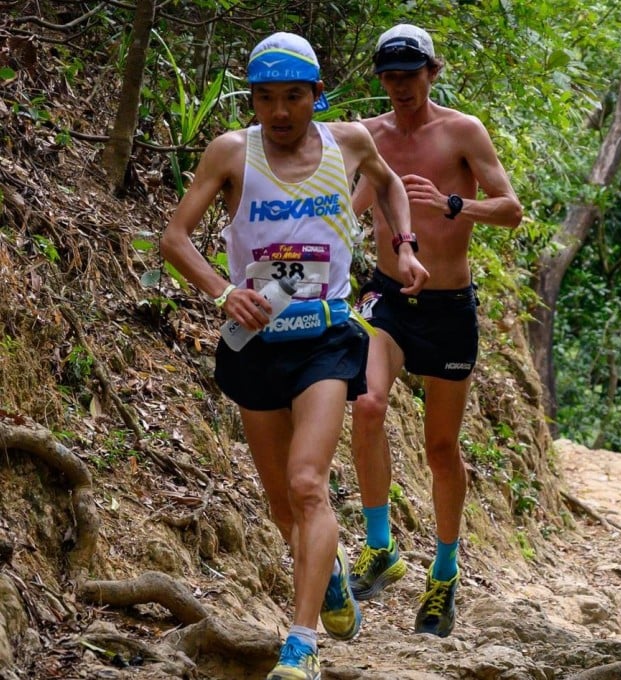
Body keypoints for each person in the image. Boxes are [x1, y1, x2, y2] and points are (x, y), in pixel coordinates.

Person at [160, 32, 428, 680]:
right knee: (283, 505)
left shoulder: (351, 143)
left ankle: (301, 646)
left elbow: (391, 187)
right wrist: (224, 292)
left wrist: (407, 244)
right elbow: (173, 237)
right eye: (265, 99)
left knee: (308, 483)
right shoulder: (231, 152)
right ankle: (327, 576)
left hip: (326, 341)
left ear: (317, 95)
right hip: (256, 342)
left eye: (294, 98)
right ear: (250, 99)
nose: (279, 113)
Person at [349, 23, 522, 638]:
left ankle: (443, 577)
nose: (399, 86)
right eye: (389, 75)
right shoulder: (367, 135)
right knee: (366, 403)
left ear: (431, 72)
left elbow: (511, 210)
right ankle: (380, 548)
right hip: (387, 296)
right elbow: (340, 204)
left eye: (409, 73)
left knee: (441, 450)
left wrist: (456, 204)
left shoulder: (462, 132)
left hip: (449, 306)